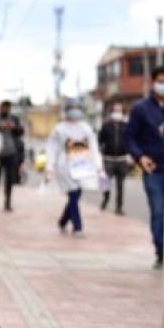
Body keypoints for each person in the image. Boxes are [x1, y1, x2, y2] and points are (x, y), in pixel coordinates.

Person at [125, 67, 164, 267]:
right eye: (161, 81)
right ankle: (162, 253)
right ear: (152, 82)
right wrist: (140, 157)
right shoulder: (140, 108)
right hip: (154, 170)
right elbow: (130, 138)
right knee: (158, 211)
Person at [47, 101, 104, 237]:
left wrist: (98, 165)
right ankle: (78, 227)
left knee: (76, 195)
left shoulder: (86, 128)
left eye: (77, 108)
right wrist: (49, 168)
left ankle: (63, 221)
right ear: (66, 110)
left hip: (81, 164)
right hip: (64, 165)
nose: (75, 111)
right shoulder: (59, 129)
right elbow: (52, 149)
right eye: (72, 108)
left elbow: (94, 148)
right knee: (73, 194)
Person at [0, 100, 25, 212]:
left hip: (11, 153)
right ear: (0, 108)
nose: (5, 110)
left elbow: (21, 132)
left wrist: (13, 127)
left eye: (7, 108)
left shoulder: (14, 118)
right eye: (3, 107)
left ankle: (8, 202)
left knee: (9, 179)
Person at [98, 102, 131, 214]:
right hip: (108, 159)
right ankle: (106, 198)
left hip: (122, 159)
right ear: (111, 112)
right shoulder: (106, 126)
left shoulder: (126, 126)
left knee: (120, 185)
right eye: (115, 111)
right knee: (106, 182)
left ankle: (119, 207)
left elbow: (130, 141)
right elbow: (100, 140)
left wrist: (130, 154)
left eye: (119, 111)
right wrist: (101, 153)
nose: (117, 113)